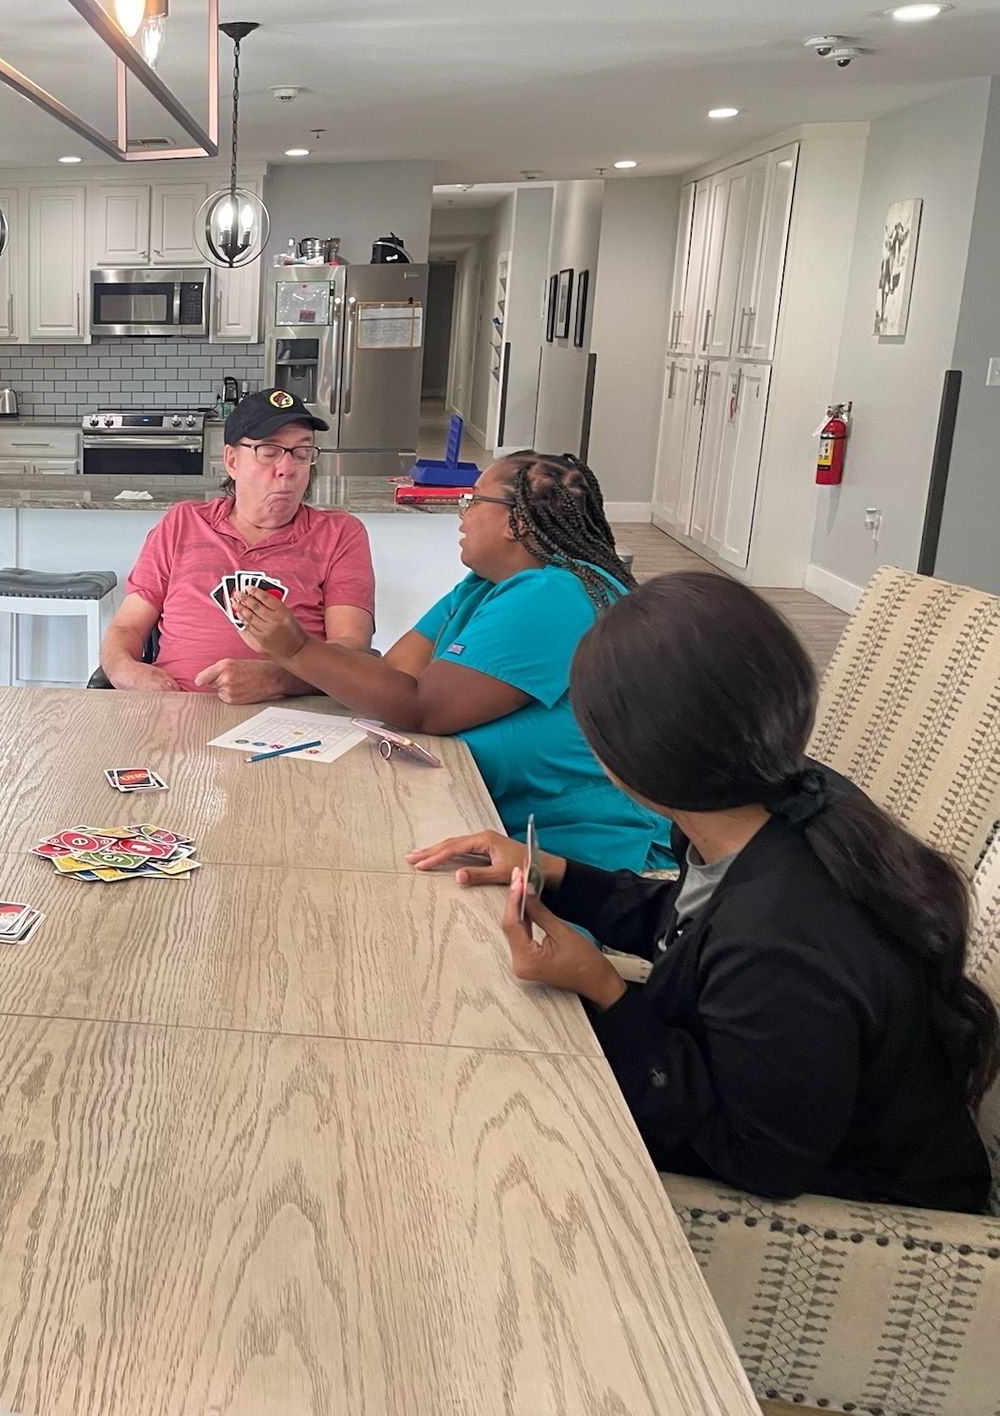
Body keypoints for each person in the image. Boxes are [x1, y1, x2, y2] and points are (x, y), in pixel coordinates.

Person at [411, 572, 996, 1210]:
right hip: (779, 1098)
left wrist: (603, 988)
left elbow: (759, 1159)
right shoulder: (770, 803)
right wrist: (557, 873)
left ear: (627, 761)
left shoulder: (781, 941)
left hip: (857, 1206)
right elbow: (693, 927)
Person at [235, 450, 667, 872]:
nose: (463, 513)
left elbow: (425, 708)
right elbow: (394, 672)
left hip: (570, 844)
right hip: (489, 815)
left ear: (515, 521)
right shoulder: (482, 585)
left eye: (474, 500)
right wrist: (296, 654)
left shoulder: (555, 594)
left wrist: (296, 649)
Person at [99, 387, 376, 704]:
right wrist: (125, 670)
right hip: (175, 711)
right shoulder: (181, 523)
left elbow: (352, 649)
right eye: (269, 451)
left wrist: (277, 679)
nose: (288, 469)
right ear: (232, 460)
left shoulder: (341, 534)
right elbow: (126, 627)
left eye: (301, 453)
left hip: (291, 720)